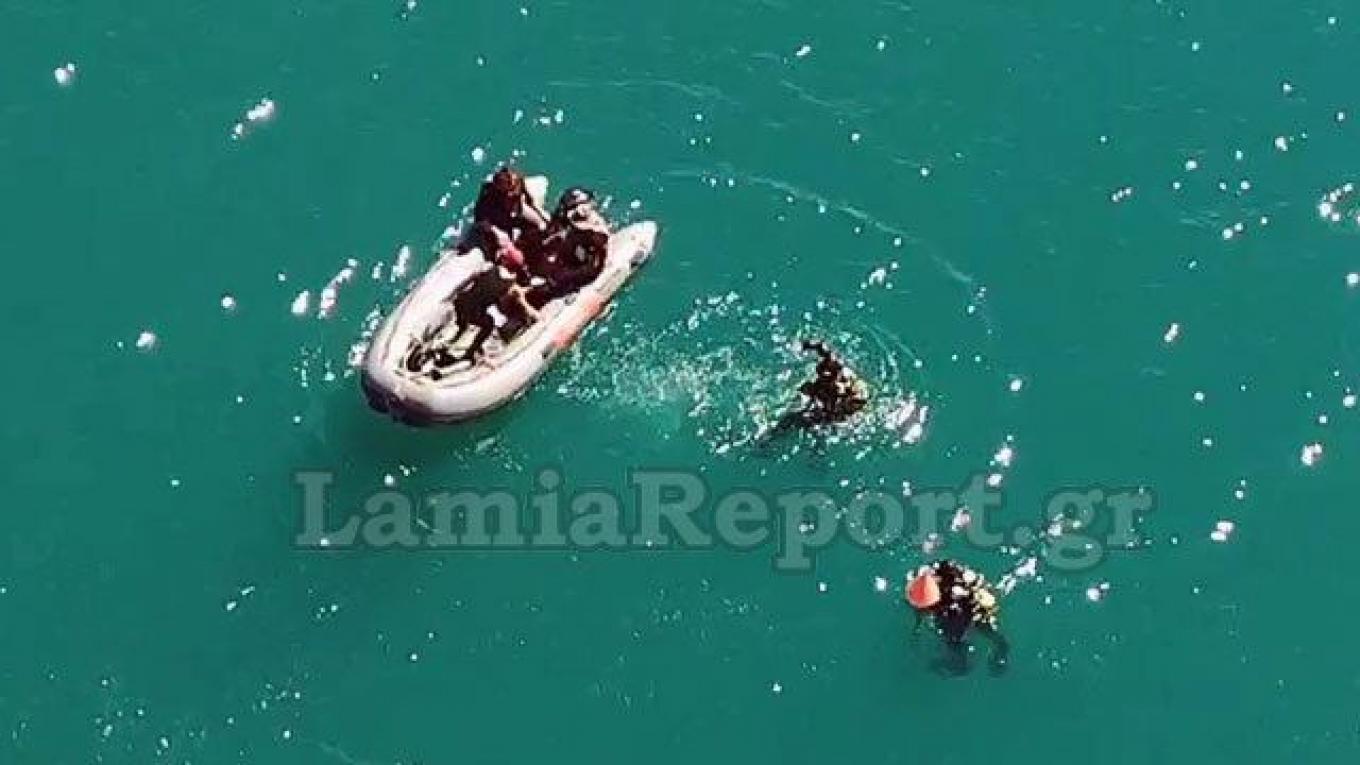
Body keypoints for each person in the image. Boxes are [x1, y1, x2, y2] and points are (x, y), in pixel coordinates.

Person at [438, 245, 539, 365]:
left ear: (505, 261)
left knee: (462, 325)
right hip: (475, 312)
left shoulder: (490, 267)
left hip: (462, 302)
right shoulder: (510, 284)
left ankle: (448, 343)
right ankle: (470, 352)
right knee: (488, 323)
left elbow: (471, 279)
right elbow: (508, 301)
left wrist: (453, 294)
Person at [906, 560, 1009, 673]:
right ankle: (1001, 645)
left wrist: (939, 664)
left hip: (971, 610)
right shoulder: (934, 573)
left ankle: (1001, 650)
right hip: (966, 591)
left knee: (956, 645)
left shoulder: (952, 618)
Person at [525, 188, 611, 303]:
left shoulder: (596, 232)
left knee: (557, 277)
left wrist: (574, 275)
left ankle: (569, 288)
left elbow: (597, 263)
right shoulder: (569, 222)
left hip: (585, 265)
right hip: (573, 254)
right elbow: (553, 229)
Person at [457, 165, 549, 256]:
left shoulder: (518, 186)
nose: (511, 196)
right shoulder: (487, 200)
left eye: (514, 195)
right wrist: (497, 232)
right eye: (509, 195)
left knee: (540, 226)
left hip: (512, 215)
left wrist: (540, 221)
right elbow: (480, 220)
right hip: (496, 222)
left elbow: (529, 203)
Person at [797, 339, 868, 422]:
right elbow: (822, 348)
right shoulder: (822, 386)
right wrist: (806, 345)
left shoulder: (842, 374)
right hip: (834, 398)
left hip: (840, 402)